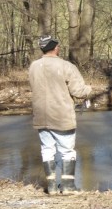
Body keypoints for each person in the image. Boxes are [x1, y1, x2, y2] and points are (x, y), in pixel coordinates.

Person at [29, 35, 92, 195]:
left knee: (47, 149)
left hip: (41, 116)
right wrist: (89, 89)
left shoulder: (34, 66)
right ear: (55, 48)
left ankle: (51, 187)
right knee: (67, 150)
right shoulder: (66, 66)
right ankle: (68, 187)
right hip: (62, 115)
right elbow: (78, 91)